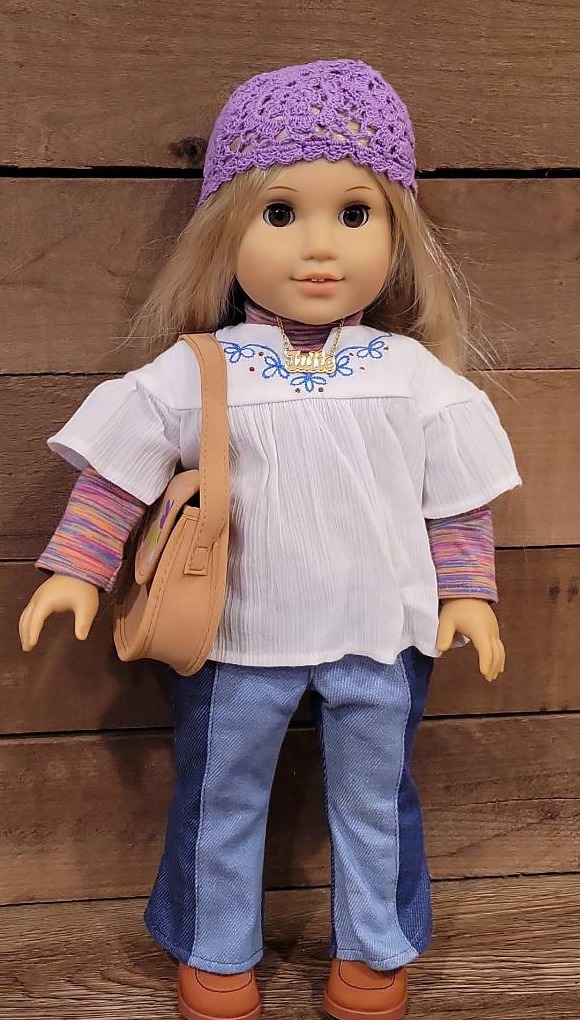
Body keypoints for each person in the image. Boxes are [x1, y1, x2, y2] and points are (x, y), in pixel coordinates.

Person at [19, 59, 522, 1020]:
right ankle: (216, 950)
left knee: (376, 797)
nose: (319, 248)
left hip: (381, 633)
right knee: (222, 794)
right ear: (225, 230)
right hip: (239, 636)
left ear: (398, 233)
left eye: (356, 214)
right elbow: (116, 475)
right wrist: (77, 569)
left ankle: (375, 947)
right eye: (280, 214)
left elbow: (457, 503)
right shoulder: (202, 366)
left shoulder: (410, 373)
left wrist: (468, 596)